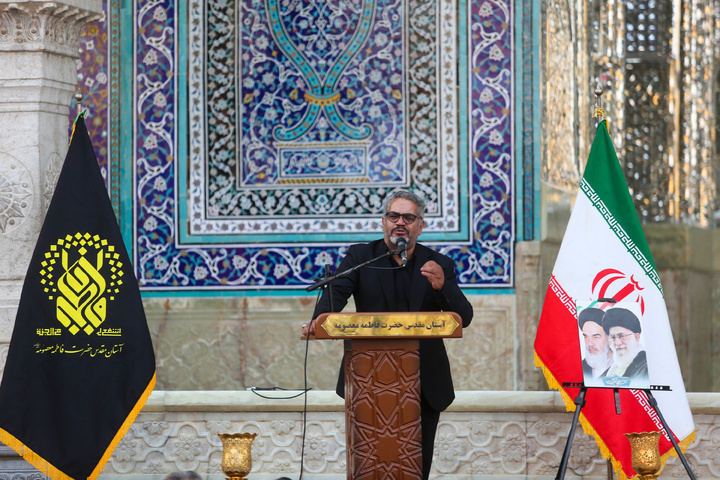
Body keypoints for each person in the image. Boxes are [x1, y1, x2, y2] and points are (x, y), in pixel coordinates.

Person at [303, 189, 473, 480]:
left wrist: (443, 287)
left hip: (424, 383)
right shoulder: (361, 257)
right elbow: (337, 293)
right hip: (366, 381)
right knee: (368, 465)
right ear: (384, 222)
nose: (400, 222)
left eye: (409, 217)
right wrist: (319, 319)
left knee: (415, 468)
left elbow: (464, 318)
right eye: (394, 215)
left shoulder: (438, 265)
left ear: (421, 225)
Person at [602, 307, 648, 384]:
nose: (617, 343)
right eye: (613, 337)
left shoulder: (646, 365)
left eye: (622, 336)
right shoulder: (611, 370)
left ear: (636, 337)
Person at [578, 307, 613, 384]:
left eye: (596, 337)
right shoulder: (580, 368)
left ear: (609, 338)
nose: (590, 344)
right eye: (586, 337)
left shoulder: (626, 366)